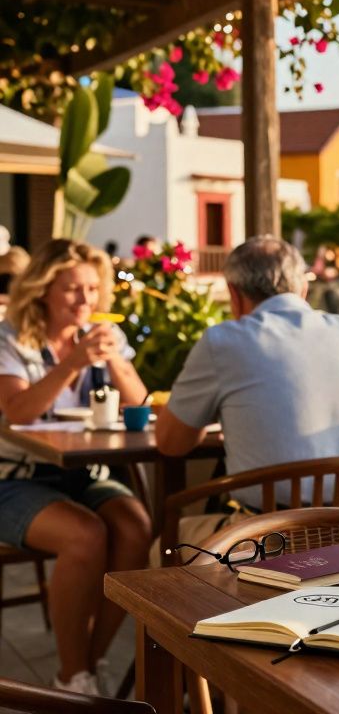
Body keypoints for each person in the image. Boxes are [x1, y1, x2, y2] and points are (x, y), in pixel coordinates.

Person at [0, 240, 151, 696]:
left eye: (91, 288)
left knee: (136, 528)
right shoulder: (10, 338)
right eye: (71, 290)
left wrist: (114, 362)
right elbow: (18, 411)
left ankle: (86, 659)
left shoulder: (103, 337)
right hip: (15, 477)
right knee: (85, 535)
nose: (85, 300)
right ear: (44, 290)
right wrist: (71, 363)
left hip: (83, 471)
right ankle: (74, 676)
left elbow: (140, 404)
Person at [156, 236, 339, 509]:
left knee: (167, 543)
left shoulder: (224, 342)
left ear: (233, 293)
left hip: (272, 536)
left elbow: (171, 444)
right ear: (302, 288)